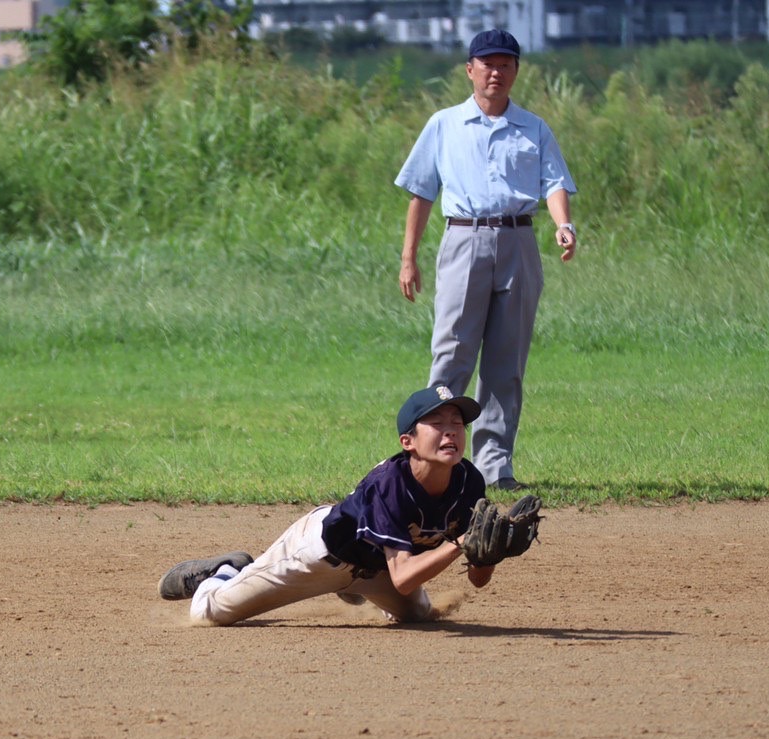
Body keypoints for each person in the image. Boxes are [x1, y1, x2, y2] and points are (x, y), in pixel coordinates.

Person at [395, 29, 578, 492]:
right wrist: (408, 258)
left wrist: (564, 223)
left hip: (518, 241)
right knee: (452, 354)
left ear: (516, 71)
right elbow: (421, 192)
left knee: (506, 359)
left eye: (505, 64)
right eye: (487, 64)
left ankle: (496, 468)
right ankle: (436, 463)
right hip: (464, 239)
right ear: (470, 69)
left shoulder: (533, 128)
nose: (496, 72)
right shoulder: (444, 124)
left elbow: (553, 182)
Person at [160, 386, 507, 626]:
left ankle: (354, 591)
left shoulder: (469, 482)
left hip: (374, 571)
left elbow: (478, 579)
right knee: (209, 615)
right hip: (315, 557)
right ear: (408, 441)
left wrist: (487, 555)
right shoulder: (389, 484)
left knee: (417, 616)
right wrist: (459, 544)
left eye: (457, 423)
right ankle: (224, 570)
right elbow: (403, 579)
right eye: (437, 423)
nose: (450, 431)